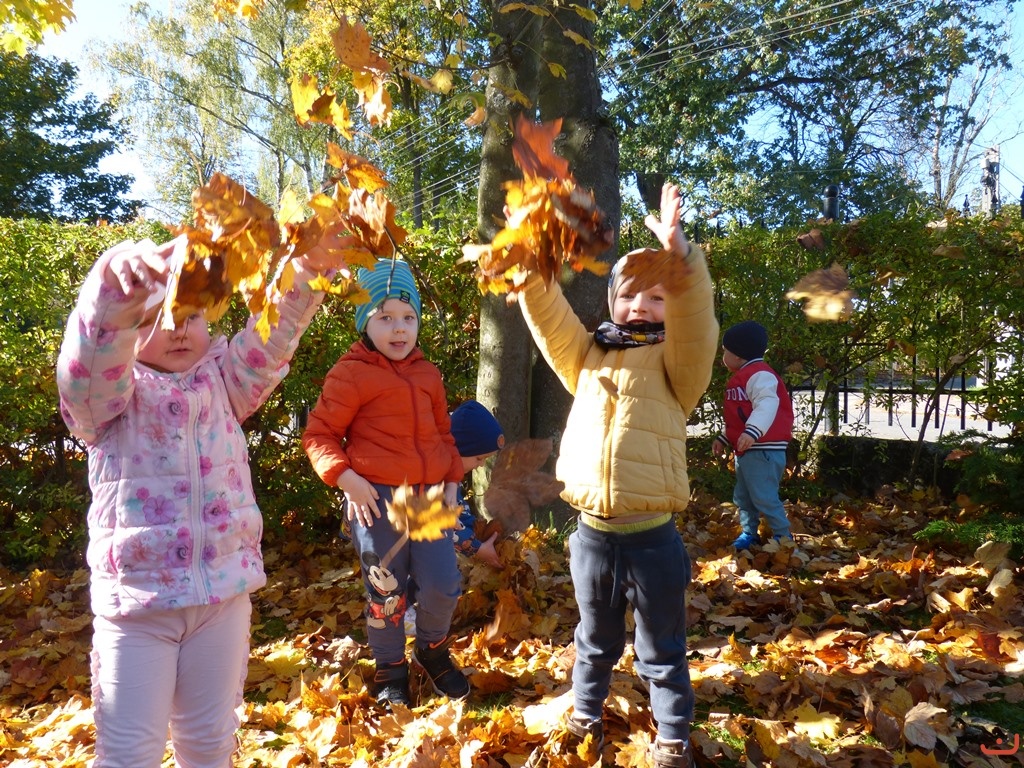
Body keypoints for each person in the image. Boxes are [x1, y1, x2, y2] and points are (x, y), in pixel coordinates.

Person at [56, 234, 338, 768]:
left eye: (190, 314)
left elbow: (275, 333)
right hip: (138, 608)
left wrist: (309, 268)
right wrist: (115, 291)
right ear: (127, 331)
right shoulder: (110, 399)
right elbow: (87, 363)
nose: (178, 328)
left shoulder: (225, 380)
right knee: (129, 754)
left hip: (221, 599)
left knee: (210, 744)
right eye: (156, 318)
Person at [518, 183, 718, 768]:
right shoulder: (588, 356)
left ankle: (672, 737)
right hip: (592, 538)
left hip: (653, 540)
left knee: (661, 647)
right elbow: (550, 317)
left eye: (657, 297)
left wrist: (682, 261)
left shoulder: (679, 366)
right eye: (629, 295)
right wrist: (528, 261)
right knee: (594, 639)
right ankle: (585, 717)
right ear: (611, 302)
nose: (641, 307)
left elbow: (697, 324)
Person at [302, 258, 470, 709]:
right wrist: (346, 478)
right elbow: (319, 434)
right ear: (365, 322)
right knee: (386, 589)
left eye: (408, 317)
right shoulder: (351, 373)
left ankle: (432, 650)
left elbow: (443, 434)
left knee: (442, 583)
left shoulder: (427, 373)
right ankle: (391, 668)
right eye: (385, 317)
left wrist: (452, 480)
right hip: (374, 500)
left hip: (427, 499)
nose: (399, 328)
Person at [711, 320, 795, 550]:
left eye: (725, 351)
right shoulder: (744, 376)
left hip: (764, 448)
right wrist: (725, 437)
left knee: (764, 496)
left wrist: (753, 431)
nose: (723, 356)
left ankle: (784, 536)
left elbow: (767, 405)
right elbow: (739, 416)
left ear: (738, 355)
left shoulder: (760, 375)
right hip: (748, 448)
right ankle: (749, 532)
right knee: (744, 495)